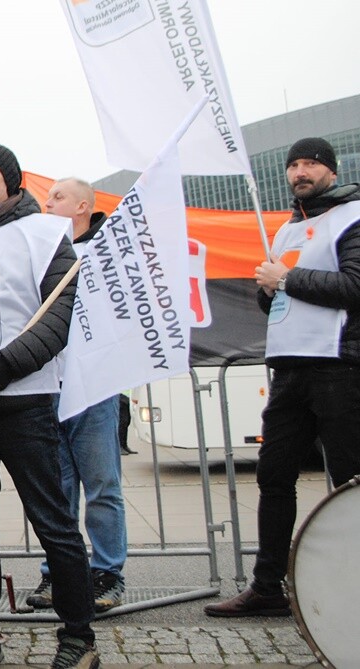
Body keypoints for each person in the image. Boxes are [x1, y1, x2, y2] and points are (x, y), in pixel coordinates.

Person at [205, 137, 360, 617]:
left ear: (331, 171)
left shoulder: (352, 218)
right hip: (290, 369)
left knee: (348, 483)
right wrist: (269, 291)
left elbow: (355, 286)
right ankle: (268, 586)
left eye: (310, 163)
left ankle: (347, 587)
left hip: (340, 368)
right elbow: (276, 302)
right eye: (293, 164)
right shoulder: (287, 229)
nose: (300, 171)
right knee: (274, 477)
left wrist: (286, 280)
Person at [0, 144, 99, 669]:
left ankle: (79, 636)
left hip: (24, 400)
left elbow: (57, 316)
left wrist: (5, 367)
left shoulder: (45, 234)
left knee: (54, 522)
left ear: (11, 181)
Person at [20, 177, 127, 615]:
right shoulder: (43, 252)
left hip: (94, 388)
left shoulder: (108, 251)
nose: (49, 204)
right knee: (57, 490)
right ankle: (60, 573)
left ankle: (107, 573)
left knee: (101, 484)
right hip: (51, 388)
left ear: (84, 205)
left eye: (58, 197)